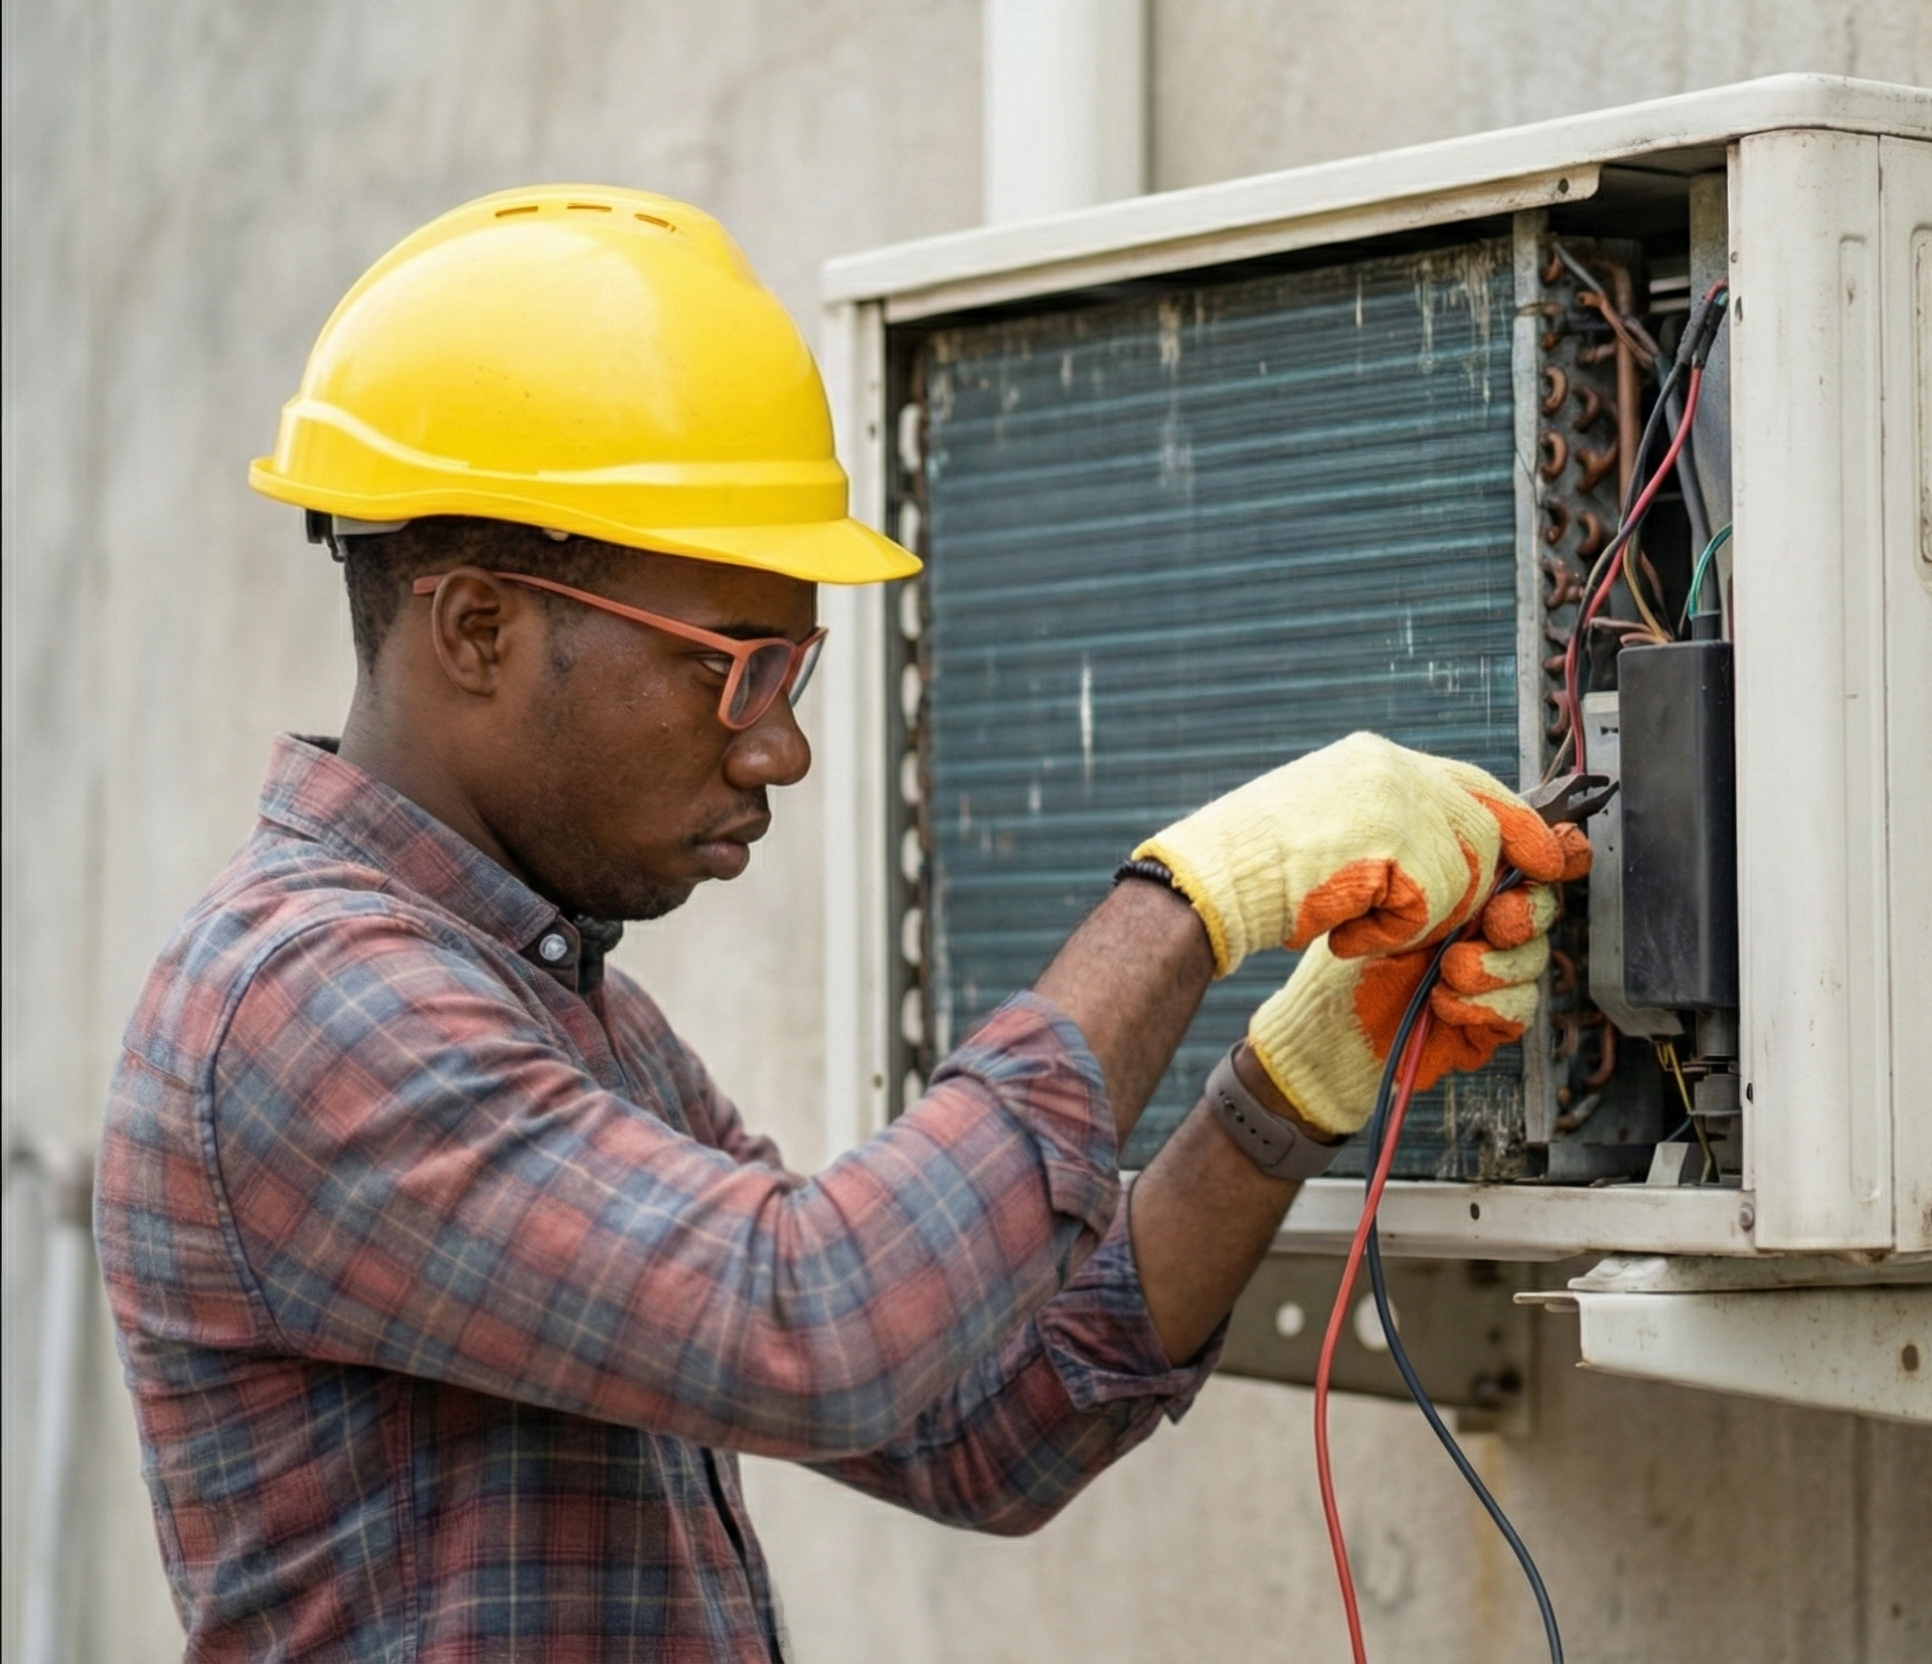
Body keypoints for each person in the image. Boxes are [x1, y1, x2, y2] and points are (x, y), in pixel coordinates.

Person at [93, 184, 1587, 1660]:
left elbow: (981, 1427)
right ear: (478, 629)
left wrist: (1287, 1087)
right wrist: (1190, 903)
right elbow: (817, 1328)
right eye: (732, 669)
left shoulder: (547, 1002)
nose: (778, 750)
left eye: (791, 676)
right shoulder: (310, 1007)